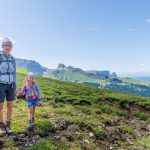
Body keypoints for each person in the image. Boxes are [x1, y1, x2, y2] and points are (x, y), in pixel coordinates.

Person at [0, 38, 18, 134]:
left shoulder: (12, 58)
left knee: (10, 105)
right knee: (0, 105)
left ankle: (8, 124)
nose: (8, 47)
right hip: (1, 84)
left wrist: (16, 86)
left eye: (9, 45)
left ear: (11, 47)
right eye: (6, 45)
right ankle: (1, 125)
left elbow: (14, 73)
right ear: (3, 46)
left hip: (11, 85)